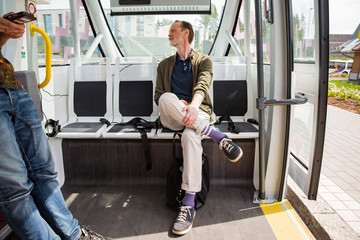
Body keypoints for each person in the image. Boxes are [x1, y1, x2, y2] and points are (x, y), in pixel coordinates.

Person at [0, 13, 108, 240]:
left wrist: (5, 33)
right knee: (14, 188)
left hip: (12, 86)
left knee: (45, 173)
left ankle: (75, 236)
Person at [154, 20, 243, 236]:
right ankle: (217, 136)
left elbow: (202, 85)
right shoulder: (164, 65)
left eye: (173, 31)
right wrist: (180, 105)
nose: (169, 35)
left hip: (197, 112)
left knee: (191, 137)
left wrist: (192, 107)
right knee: (167, 97)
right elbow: (159, 97)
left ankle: (188, 203)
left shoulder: (204, 61)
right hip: (172, 115)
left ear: (186, 33)